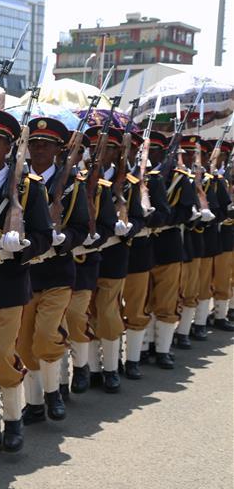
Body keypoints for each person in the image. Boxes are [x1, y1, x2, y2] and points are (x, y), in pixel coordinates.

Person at [0, 113, 54, 457]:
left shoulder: (29, 186)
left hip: (9, 280)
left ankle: (14, 423)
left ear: (9, 147)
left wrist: (24, 248)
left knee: (4, 354)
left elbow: (44, 236)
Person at [20, 119, 89, 419]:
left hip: (57, 273)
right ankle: (33, 404)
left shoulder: (72, 184)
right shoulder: (18, 182)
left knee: (46, 335)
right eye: (34, 144)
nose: (38, 150)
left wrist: (64, 240)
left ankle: (52, 394)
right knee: (23, 343)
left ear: (58, 150)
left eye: (45, 145)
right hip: (24, 274)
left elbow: (82, 227)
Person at [58, 126, 116, 403]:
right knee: (51, 328)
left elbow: (105, 226)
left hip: (82, 263)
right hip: (51, 266)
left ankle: (81, 366)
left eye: (78, 151)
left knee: (75, 317)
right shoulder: (39, 183)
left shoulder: (94, 186)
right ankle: (58, 381)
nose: (72, 156)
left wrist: (88, 239)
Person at [91, 128, 145, 392]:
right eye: (95, 147)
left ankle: (111, 368)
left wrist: (128, 228)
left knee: (108, 310)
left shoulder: (130, 184)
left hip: (114, 254)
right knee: (87, 311)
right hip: (86, 256)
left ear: (117, 153)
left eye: (107, 148)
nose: (99, 152)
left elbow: (139, 217)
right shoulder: (83, 180)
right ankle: (91, 368)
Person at [122, 131, 171, 378]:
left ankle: (134, 357)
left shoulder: (152, 180)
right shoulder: (111, 177)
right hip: (110, 253)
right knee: (104, 312)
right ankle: (101, 366)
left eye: (134, 149)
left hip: (139, 251)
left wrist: (146, 215)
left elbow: (164, 214)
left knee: (136, 307)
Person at [148, 134, 198, 365]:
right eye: (149, 150)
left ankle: (163, 349)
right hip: (145, 246)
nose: (152, 155)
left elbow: (185, 211)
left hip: (168, 244)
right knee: (143, 301)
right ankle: (143, 347)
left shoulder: (180, 179)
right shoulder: (141, 177)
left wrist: (161, 220)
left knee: (167, 300)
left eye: (157, 150)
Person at [176, 135, 214, 346]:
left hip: (195, 243)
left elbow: (216, 208)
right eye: (186, 153)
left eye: (194, 154)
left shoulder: (208, 181)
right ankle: (152, 342)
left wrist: (203, 212)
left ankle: (184, 331)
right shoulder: (173, 178)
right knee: (166, 295)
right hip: (171, 244)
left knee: (191, 290)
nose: (190, 157)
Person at [207, 139, 234, 331]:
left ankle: (221, 314)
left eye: (224, 156)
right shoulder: (211, 179)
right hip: (209, 232)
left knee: (225, 275)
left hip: (226, 233)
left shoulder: (225, 179)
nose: (221, 159)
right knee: (204, 279)